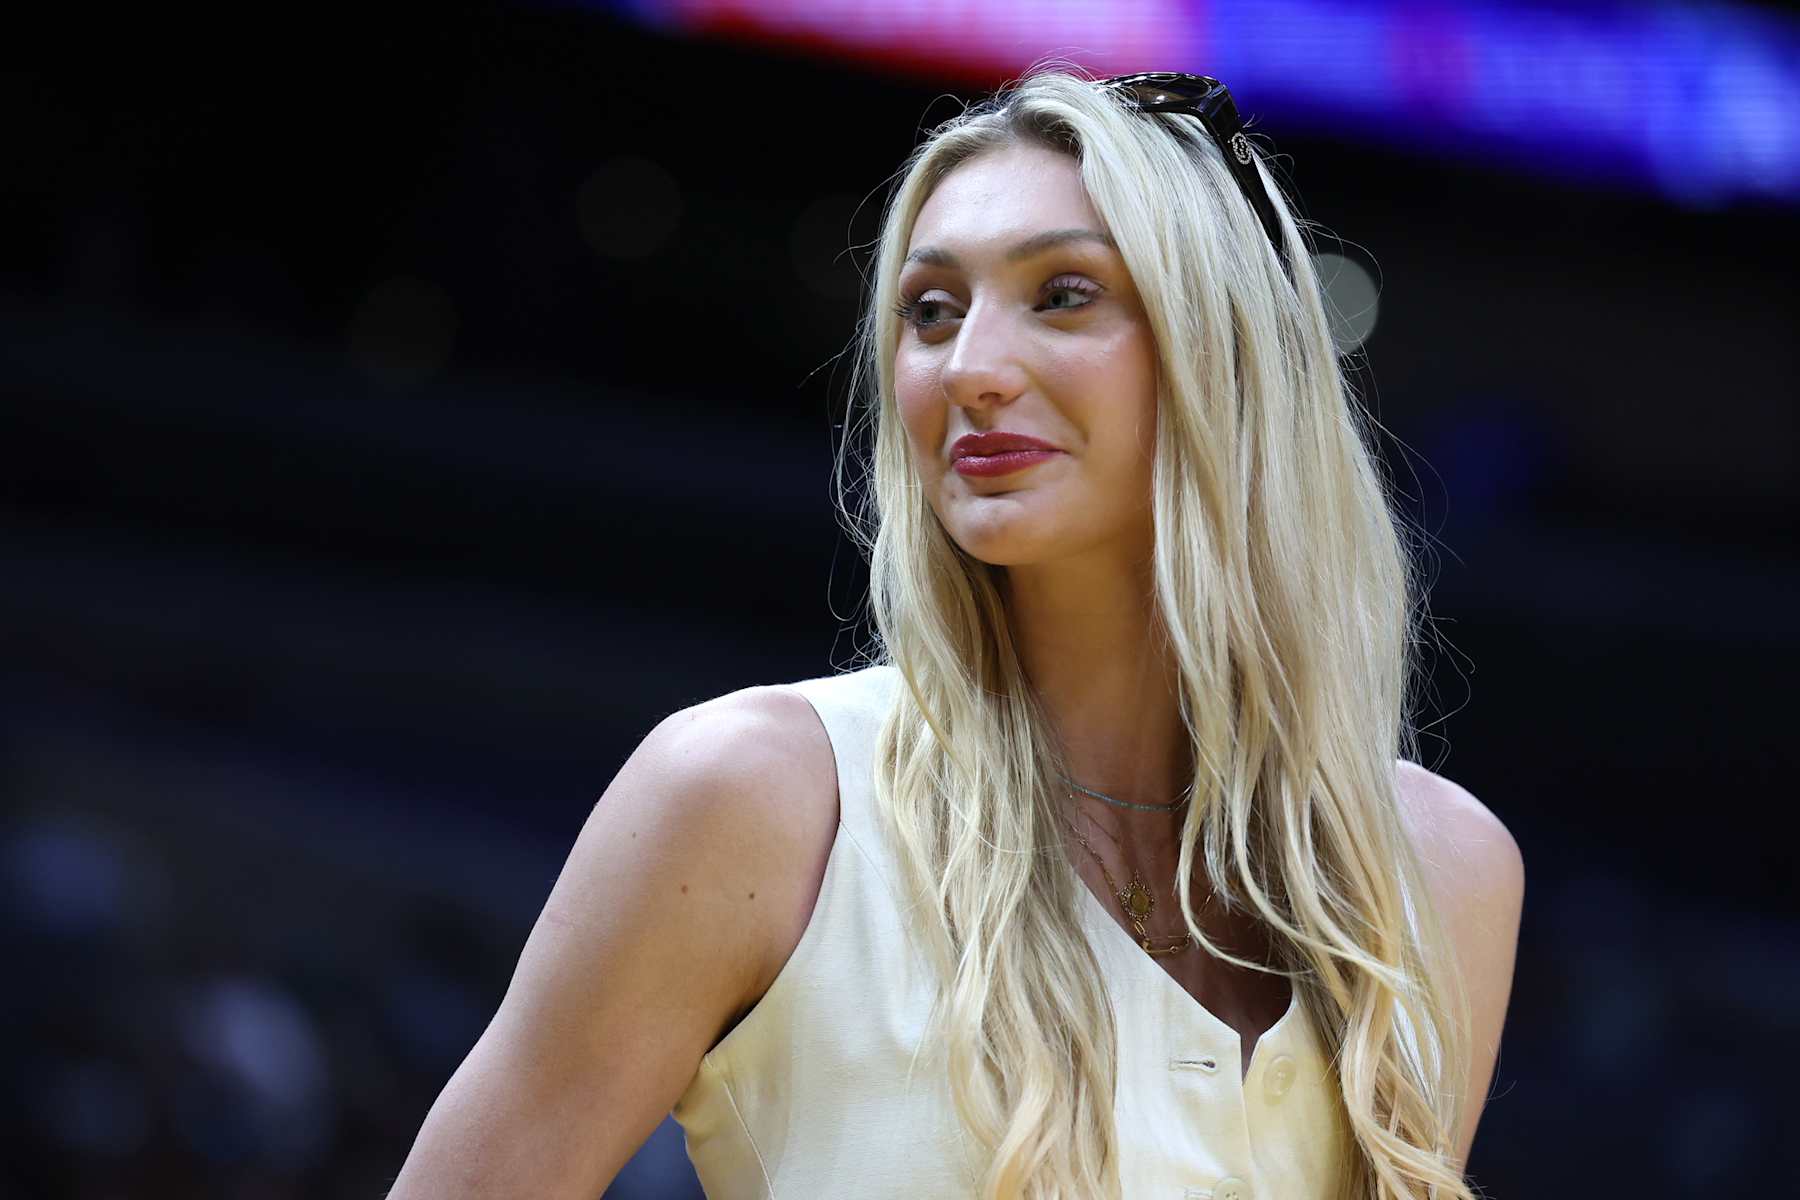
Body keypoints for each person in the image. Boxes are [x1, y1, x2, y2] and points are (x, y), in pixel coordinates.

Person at [386, 67, 1524, 1200]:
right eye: (931, 311)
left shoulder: (1440, 873)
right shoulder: (760, 801)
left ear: (1226, 352)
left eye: (1064, 293)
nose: (970, 368)